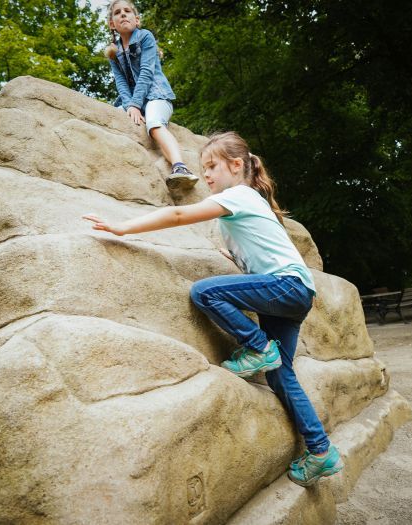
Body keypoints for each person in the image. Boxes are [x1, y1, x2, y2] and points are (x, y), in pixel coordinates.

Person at [83, 131, 343, 486]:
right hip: (293, 295)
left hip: (286, 287)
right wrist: (232, 257)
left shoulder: (240, 195)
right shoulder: (244, 205)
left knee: (205, 292)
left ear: (236, 166)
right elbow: (257, 253)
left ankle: (258, 347)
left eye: (211, 166)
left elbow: (177, 214)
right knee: (282, 375)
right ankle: (320, 451)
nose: (205, 174)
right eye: (202, 167)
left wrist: (124, 227)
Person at [105, 0, 198, 190]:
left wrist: (135, 104)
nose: (123, 14)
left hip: (156, 96)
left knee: (153, 123)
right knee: (111, 116)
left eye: (127, 11)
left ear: (136, 19)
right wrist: (130, 104)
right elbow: (121, 82)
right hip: (132, 101)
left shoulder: (145, 37)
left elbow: (147, 72)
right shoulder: (112, 52)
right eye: (117, 12)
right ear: (112, 24)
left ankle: (180, 167)